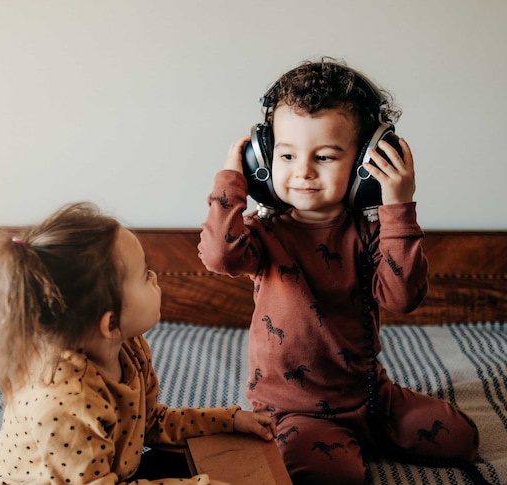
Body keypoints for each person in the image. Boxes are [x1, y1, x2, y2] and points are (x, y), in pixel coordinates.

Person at [198, 58, 479, 485]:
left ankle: (364, 434)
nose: (303, 171)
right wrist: (230, 180)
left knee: (461, 439)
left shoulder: (372, 232)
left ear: (368, 161)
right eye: (287, 154)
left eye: (325, 156)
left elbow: (402, 298)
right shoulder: (262, 232)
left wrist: (397, 206)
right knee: (331, 473)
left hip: (370, 397)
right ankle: (316, 442)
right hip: (294, 408)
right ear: (263, 159)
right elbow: (219, 255)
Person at [0, 202, 275, 485]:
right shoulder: (66, 401)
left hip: (106, 470)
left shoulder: (129, 348)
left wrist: (230, 420)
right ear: (111, 323)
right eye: (145, 274)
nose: (156, 278)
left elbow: (151, 423)